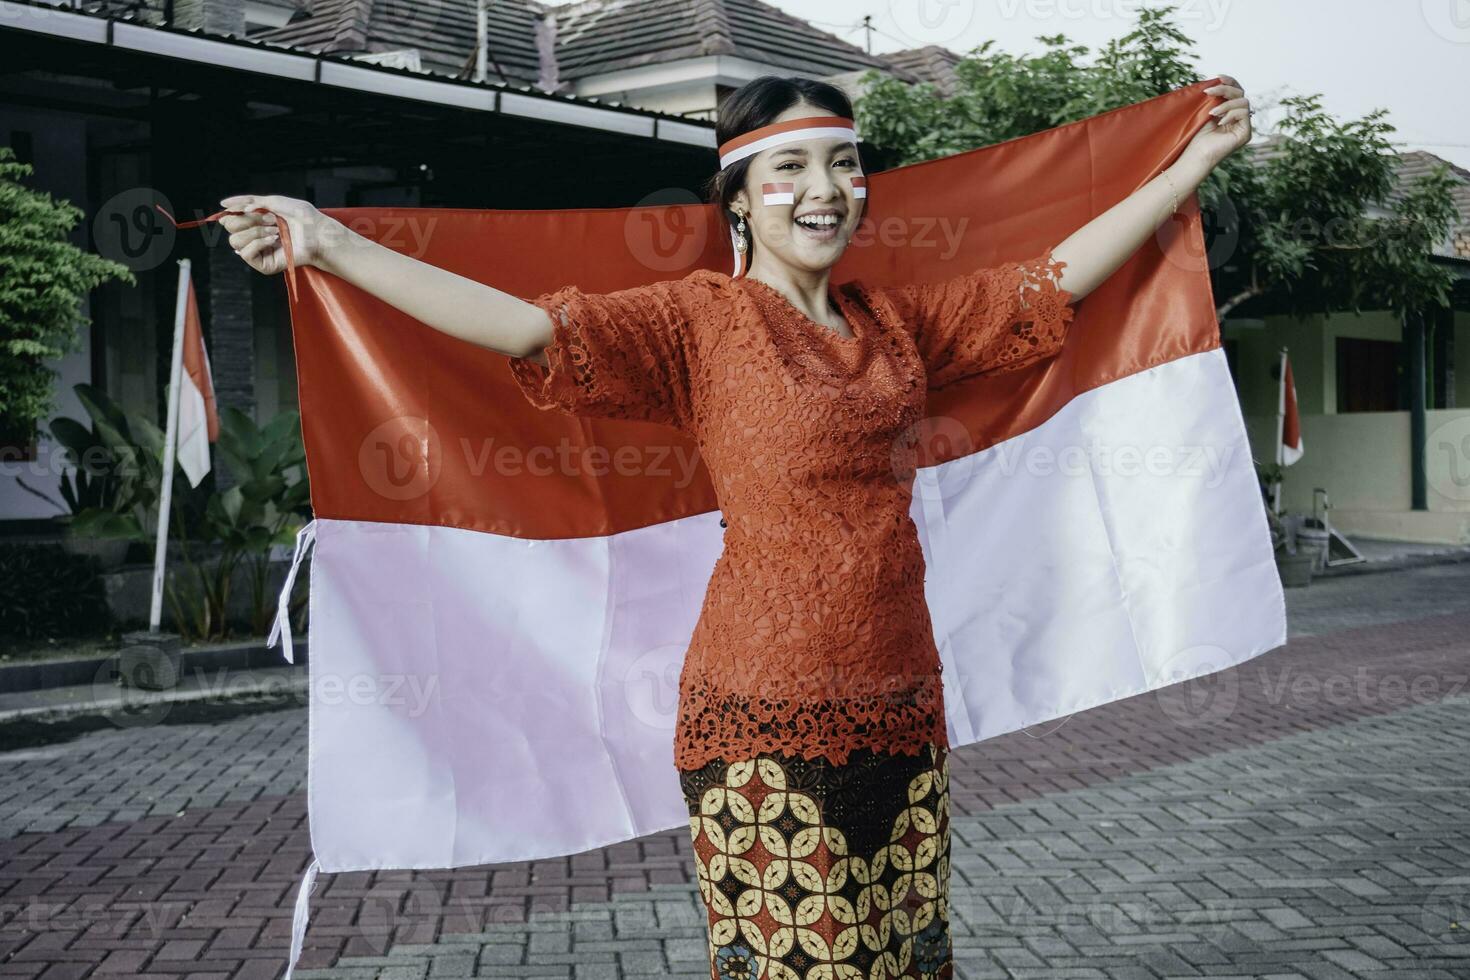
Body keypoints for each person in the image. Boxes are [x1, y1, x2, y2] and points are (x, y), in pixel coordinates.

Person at [219, 73, 1250, 980]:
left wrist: (1189, 164)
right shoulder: (698, 324)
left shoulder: (896, 325)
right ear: (743, 200)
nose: (825, 188)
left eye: (845, 164)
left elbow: (1050, 286)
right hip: (762, 727)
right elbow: (528, 327)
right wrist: (331, 241)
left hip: (903, 708)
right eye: (791, 166)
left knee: (908, 962)